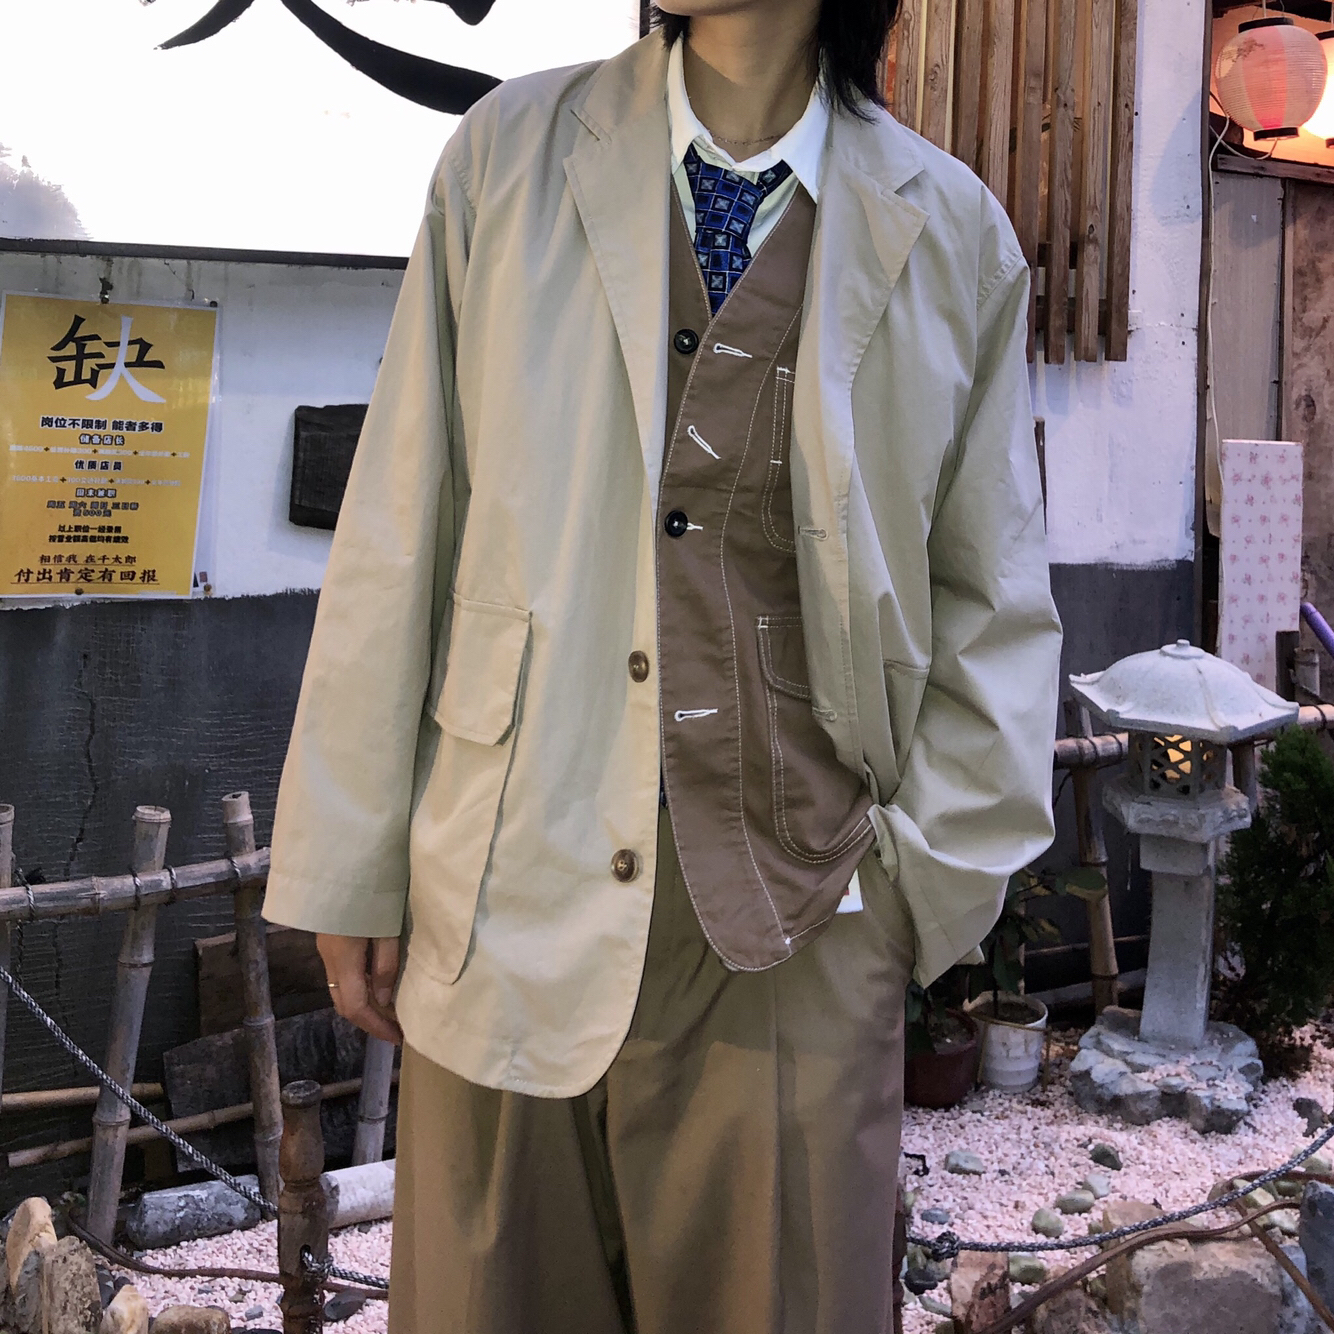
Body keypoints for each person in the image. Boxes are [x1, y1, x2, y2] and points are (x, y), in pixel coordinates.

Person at [263, 0, 1063, 1329]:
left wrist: (910, 901)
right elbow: (404, 520)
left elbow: (992, 602)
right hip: (507, 893)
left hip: (801, 935)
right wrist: (352, 856)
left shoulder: (954, 235)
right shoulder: (507, 158)